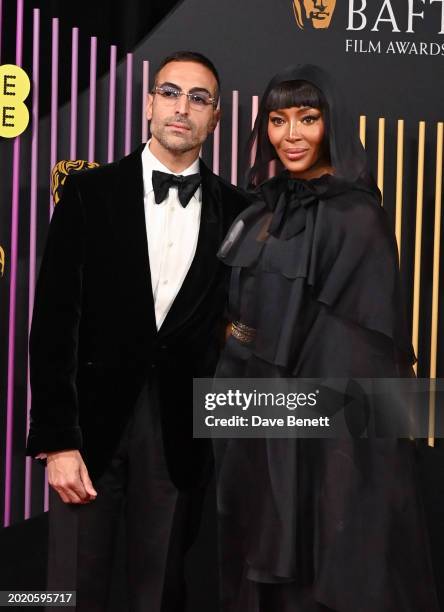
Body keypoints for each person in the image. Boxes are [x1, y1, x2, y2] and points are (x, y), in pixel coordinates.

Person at [26, 50, 247, 611]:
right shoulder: (86, 193)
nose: (182, 108)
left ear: (215, 117)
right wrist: (57, 441)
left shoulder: (243, 215)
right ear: (149, 102)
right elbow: (54, 324)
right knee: (71, 591)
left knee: (161, 593)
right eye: (170, 92)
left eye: (199, 99)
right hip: (89, 430)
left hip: (179, 435)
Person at [214, 65, 439, 611]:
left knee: (329, 561)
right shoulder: (261, 208)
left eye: (307, 119)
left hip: (329, 438)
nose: (291, 136)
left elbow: (366, 356)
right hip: (255, 419)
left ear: (330, 123)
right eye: (278, 120)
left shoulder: (360, 216)